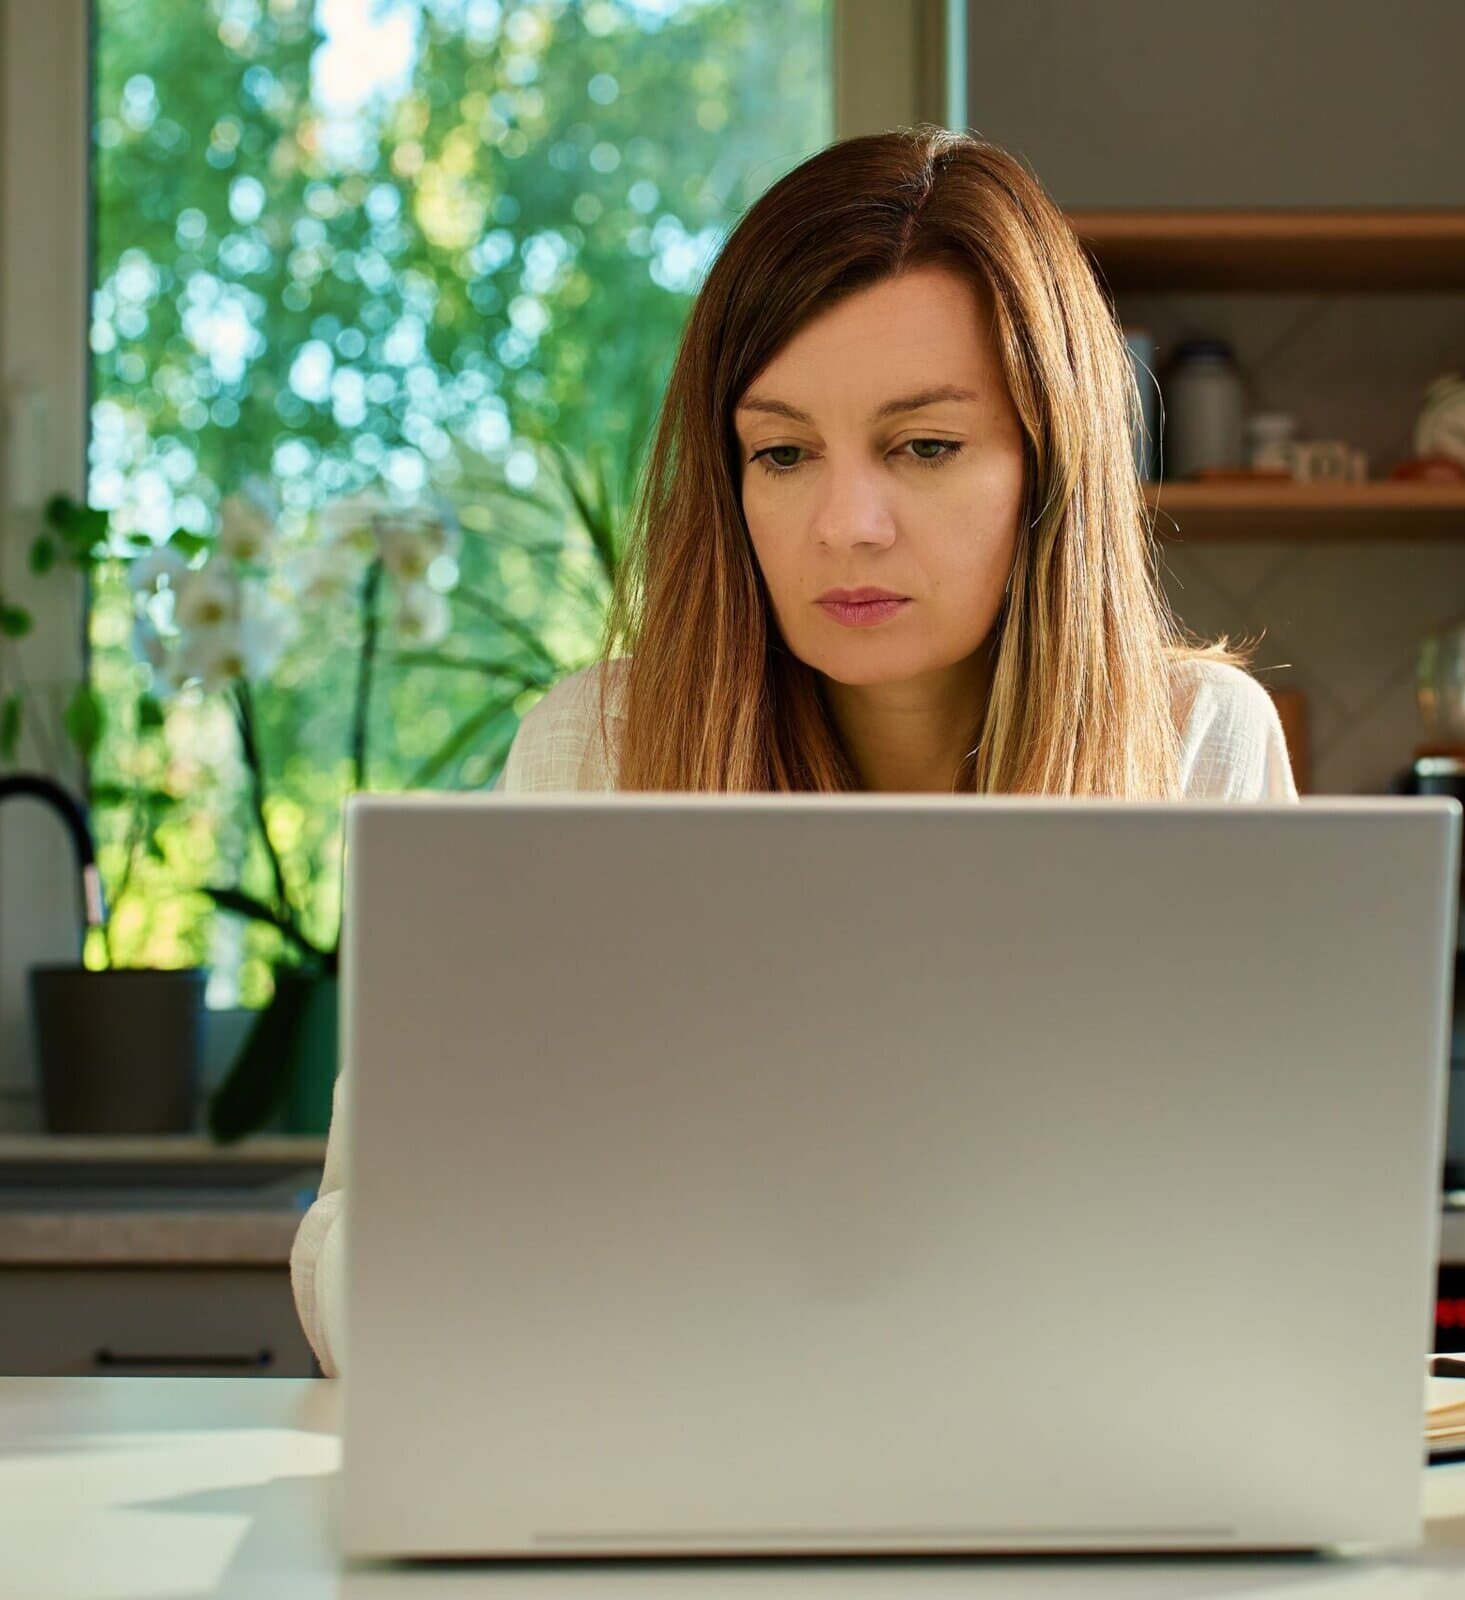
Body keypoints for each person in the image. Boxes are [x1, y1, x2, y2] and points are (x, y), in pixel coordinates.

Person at [290, 126, 1297, 1377]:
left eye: (923, 447)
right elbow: (349, 1250)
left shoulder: (1198, 747)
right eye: (782, 453)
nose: (845, 526)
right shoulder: (594, 753)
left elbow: (1272, 1259)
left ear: (1051, 467)